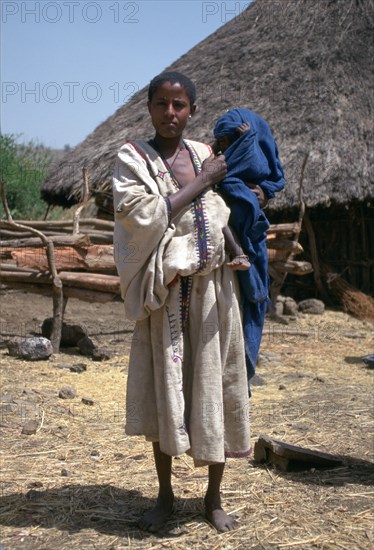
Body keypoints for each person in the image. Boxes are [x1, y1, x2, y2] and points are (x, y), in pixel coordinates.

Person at [112, 73, 251, 533]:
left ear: (192, 109)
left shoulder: (201, 154)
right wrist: (204, 181)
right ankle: (166, 497)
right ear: (149, 107)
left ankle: (213, 498)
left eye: (180, 105)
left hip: (212, 293)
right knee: (164, 390)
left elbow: (215, 209)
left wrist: (234, 247)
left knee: (216, 385)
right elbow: (143, 216)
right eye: (161, 104)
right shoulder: (131, 159)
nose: (170, 114)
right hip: (164, 293)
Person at [212, 108, 286, 390]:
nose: (227, 148)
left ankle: (242, 372)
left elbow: (272, 180)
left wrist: (263, 195)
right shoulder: (212, 166)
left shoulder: (262, 179)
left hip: (248, 257)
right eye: (224, 142)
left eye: (236, 141)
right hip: (217, 261)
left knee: (247, 307)